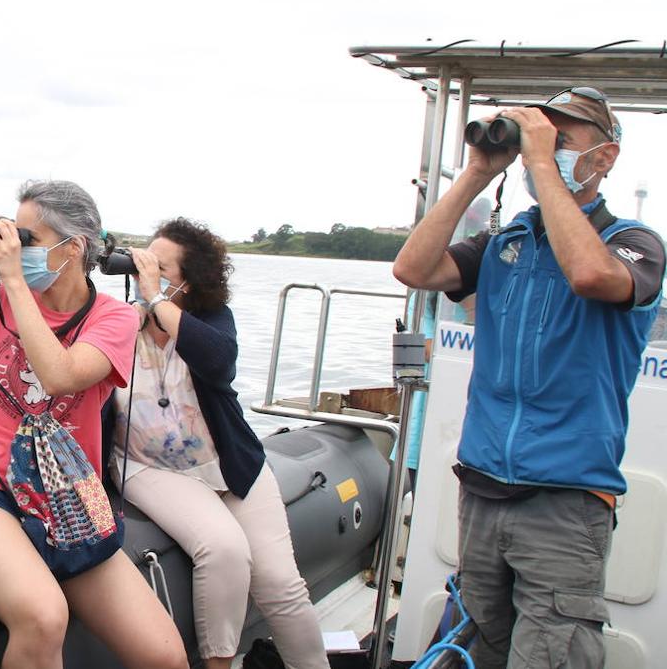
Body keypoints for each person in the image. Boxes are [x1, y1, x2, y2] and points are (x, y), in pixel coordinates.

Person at [393, 86, 665, 668]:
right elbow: (412, 268)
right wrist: (476, 173)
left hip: (565, 501)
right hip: (484, 489)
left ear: (606, 157)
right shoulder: (505, 242)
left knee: (551, 654)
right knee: (478, 648)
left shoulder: (634, 244)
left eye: (563, 140)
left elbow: (592, 275)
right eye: (538, 138)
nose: (546, 149)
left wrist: (541, 164)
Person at [0, 180, 187, 669]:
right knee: (43, 617)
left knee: (164, 655)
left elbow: (61, 375)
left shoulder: (114, 318)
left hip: (66, 499)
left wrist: (15, 281)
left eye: (28, 239)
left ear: (75, 248)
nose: (15, 249)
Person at [109, 218, 328, 669]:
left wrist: (155, 299)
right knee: (224, 548)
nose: (144, 272)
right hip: (150, 466)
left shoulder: (211, 321)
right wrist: (141, 301)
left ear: (187, 284)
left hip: (227, 462)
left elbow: (218, 362)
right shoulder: (119, 323)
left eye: (160, 268)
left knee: (280, 583)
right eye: (143, 263)